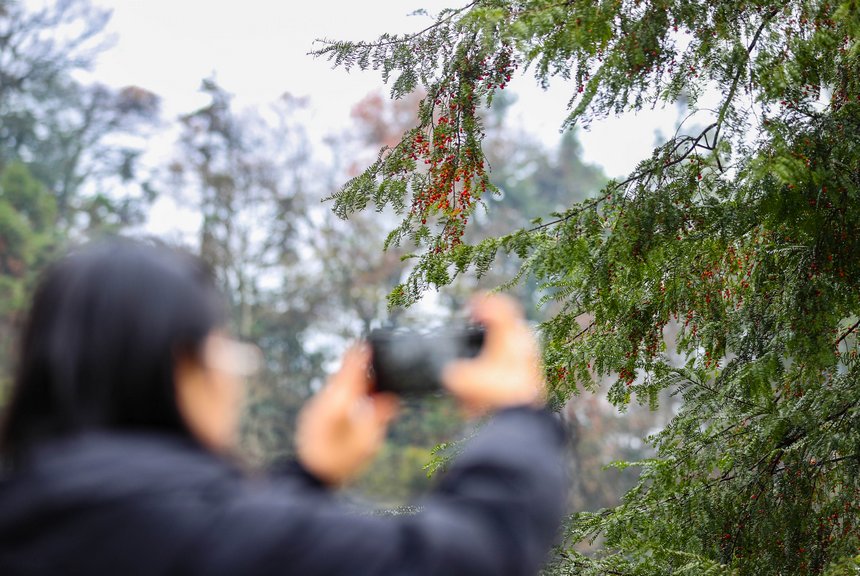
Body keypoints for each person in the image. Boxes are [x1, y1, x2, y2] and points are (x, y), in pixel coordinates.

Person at [0, 238, 567, 576]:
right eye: (220, 344)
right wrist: (520, 416)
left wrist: (308, 475)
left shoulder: (37, 516)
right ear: (180, 367)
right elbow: (470, 557)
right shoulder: (196, 532)